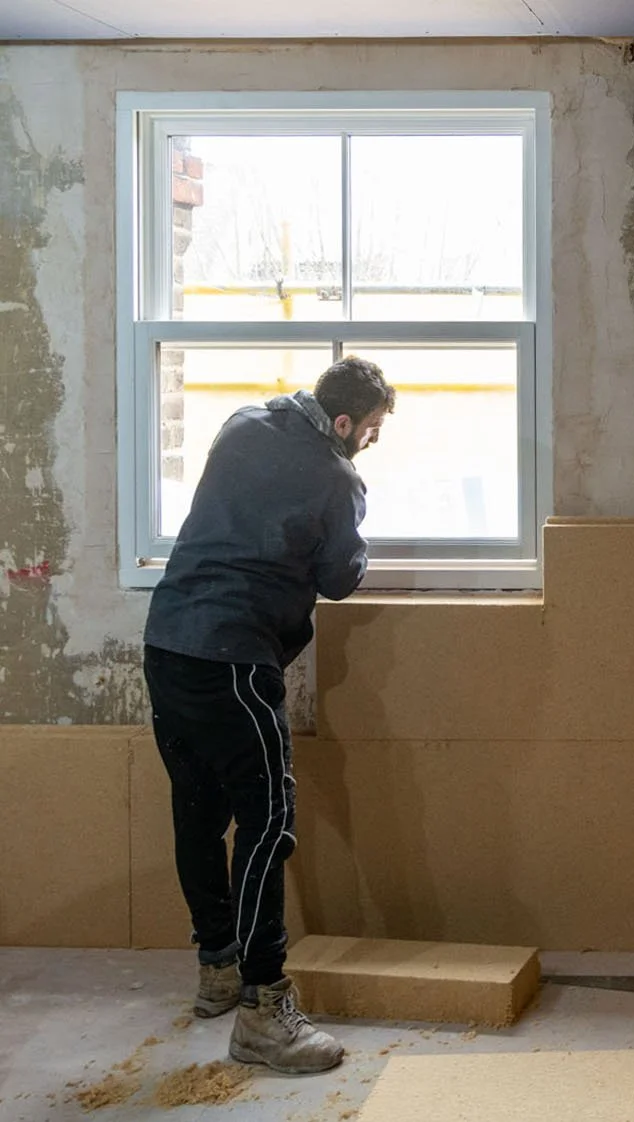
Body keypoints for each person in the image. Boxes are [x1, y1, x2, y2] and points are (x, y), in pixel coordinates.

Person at [142, 356, 394, 1075]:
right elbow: (341, 579)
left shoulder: (245, 422)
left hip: (167, 641)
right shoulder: (336, 477)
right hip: (233, 658)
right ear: (343, 422)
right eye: (371, 431)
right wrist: (354, 520)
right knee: (268, 824)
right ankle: (263, 1010)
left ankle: (217, 970)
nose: (371, 442)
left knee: (197, 810)